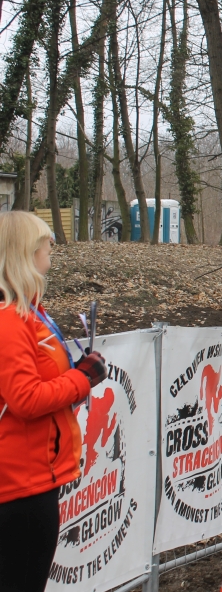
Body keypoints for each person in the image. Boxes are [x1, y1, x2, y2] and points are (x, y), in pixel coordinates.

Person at [0, 211, 108, 592]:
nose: (52, 247)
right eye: (45, 242)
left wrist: (77, 373)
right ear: (25, 251)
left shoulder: (29, 313)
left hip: (35, 478)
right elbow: (25, 399)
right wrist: (82, 379)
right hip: (21, 485)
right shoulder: (11, 321)